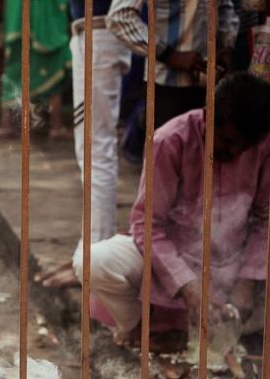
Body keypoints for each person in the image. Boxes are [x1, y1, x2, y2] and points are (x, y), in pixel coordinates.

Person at [73, 73, 270, 351]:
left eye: (244, 146)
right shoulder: (170, 140)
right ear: (207, 115)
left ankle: (195, 329)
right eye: (227, 141)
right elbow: (147, 225)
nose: (235, 152)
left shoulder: (263, 146)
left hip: (232, 270)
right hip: (169, 262)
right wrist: (188, 286)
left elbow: (264, 221)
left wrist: (248, 281)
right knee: (92, 262)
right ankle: (143, 329)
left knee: (239, 327)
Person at [37, 0, 133, 288]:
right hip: (96, 32)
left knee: (95, 150)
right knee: (92, 149)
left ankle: (95, 255)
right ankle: (90, 251)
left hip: (102, 33)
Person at [107, 0, 239, 128]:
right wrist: (168, 54)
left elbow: (224, 7)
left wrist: (227, 46)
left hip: (211, 85)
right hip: (168, 87)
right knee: (167, 146)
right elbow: (119, 17)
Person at [0, 0, 73, 139]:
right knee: (52, 71)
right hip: (45, 26)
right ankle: (56, 126)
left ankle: (5, 125)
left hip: (17, 21)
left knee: (14, 73)